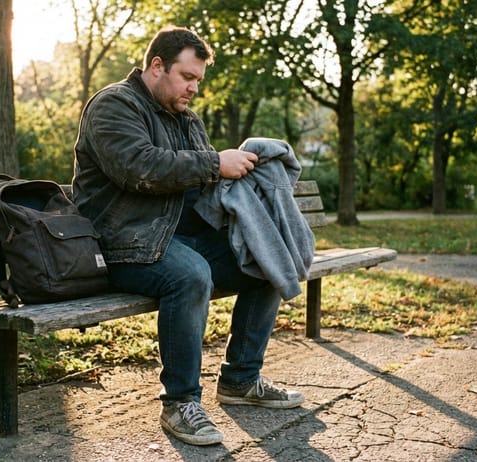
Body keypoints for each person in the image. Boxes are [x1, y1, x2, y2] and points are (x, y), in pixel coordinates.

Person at [71, 26, 304, 446]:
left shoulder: (188, 119)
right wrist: (216, 163)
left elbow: (201, 184)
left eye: (198, 79)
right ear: (157, 66)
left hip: (176, 240)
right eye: (187, 76)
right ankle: (180, 402)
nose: (194, 87)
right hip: (123, 244)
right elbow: (139, 167)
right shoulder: (113, 105)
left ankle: (240, 380)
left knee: (267, 258)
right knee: (191, 274)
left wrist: (248, 180)